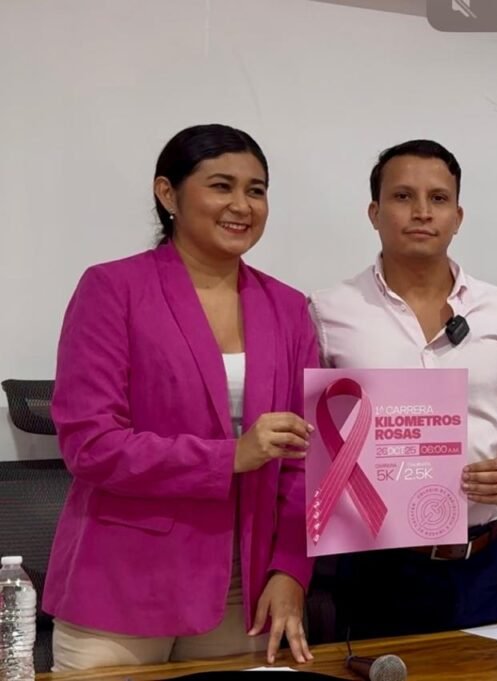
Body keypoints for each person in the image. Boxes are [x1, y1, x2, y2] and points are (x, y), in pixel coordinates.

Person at [46, 124, 317, 670]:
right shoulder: (113, 289)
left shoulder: (288, 308)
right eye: (221, 186)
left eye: (257, 190)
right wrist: (231, 456)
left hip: (243, 587)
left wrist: (290, 570)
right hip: (122, 580)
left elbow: (306, 460)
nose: (241, 205)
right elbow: (90, 445)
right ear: (167, 193)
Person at [309, 139, 497, 638]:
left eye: (439, 198)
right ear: (374, 212)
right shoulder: (327, 312)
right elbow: (310, 433)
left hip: (483, 562)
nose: (422, 212)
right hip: (373, 569)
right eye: (403, 196)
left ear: (458, 216)